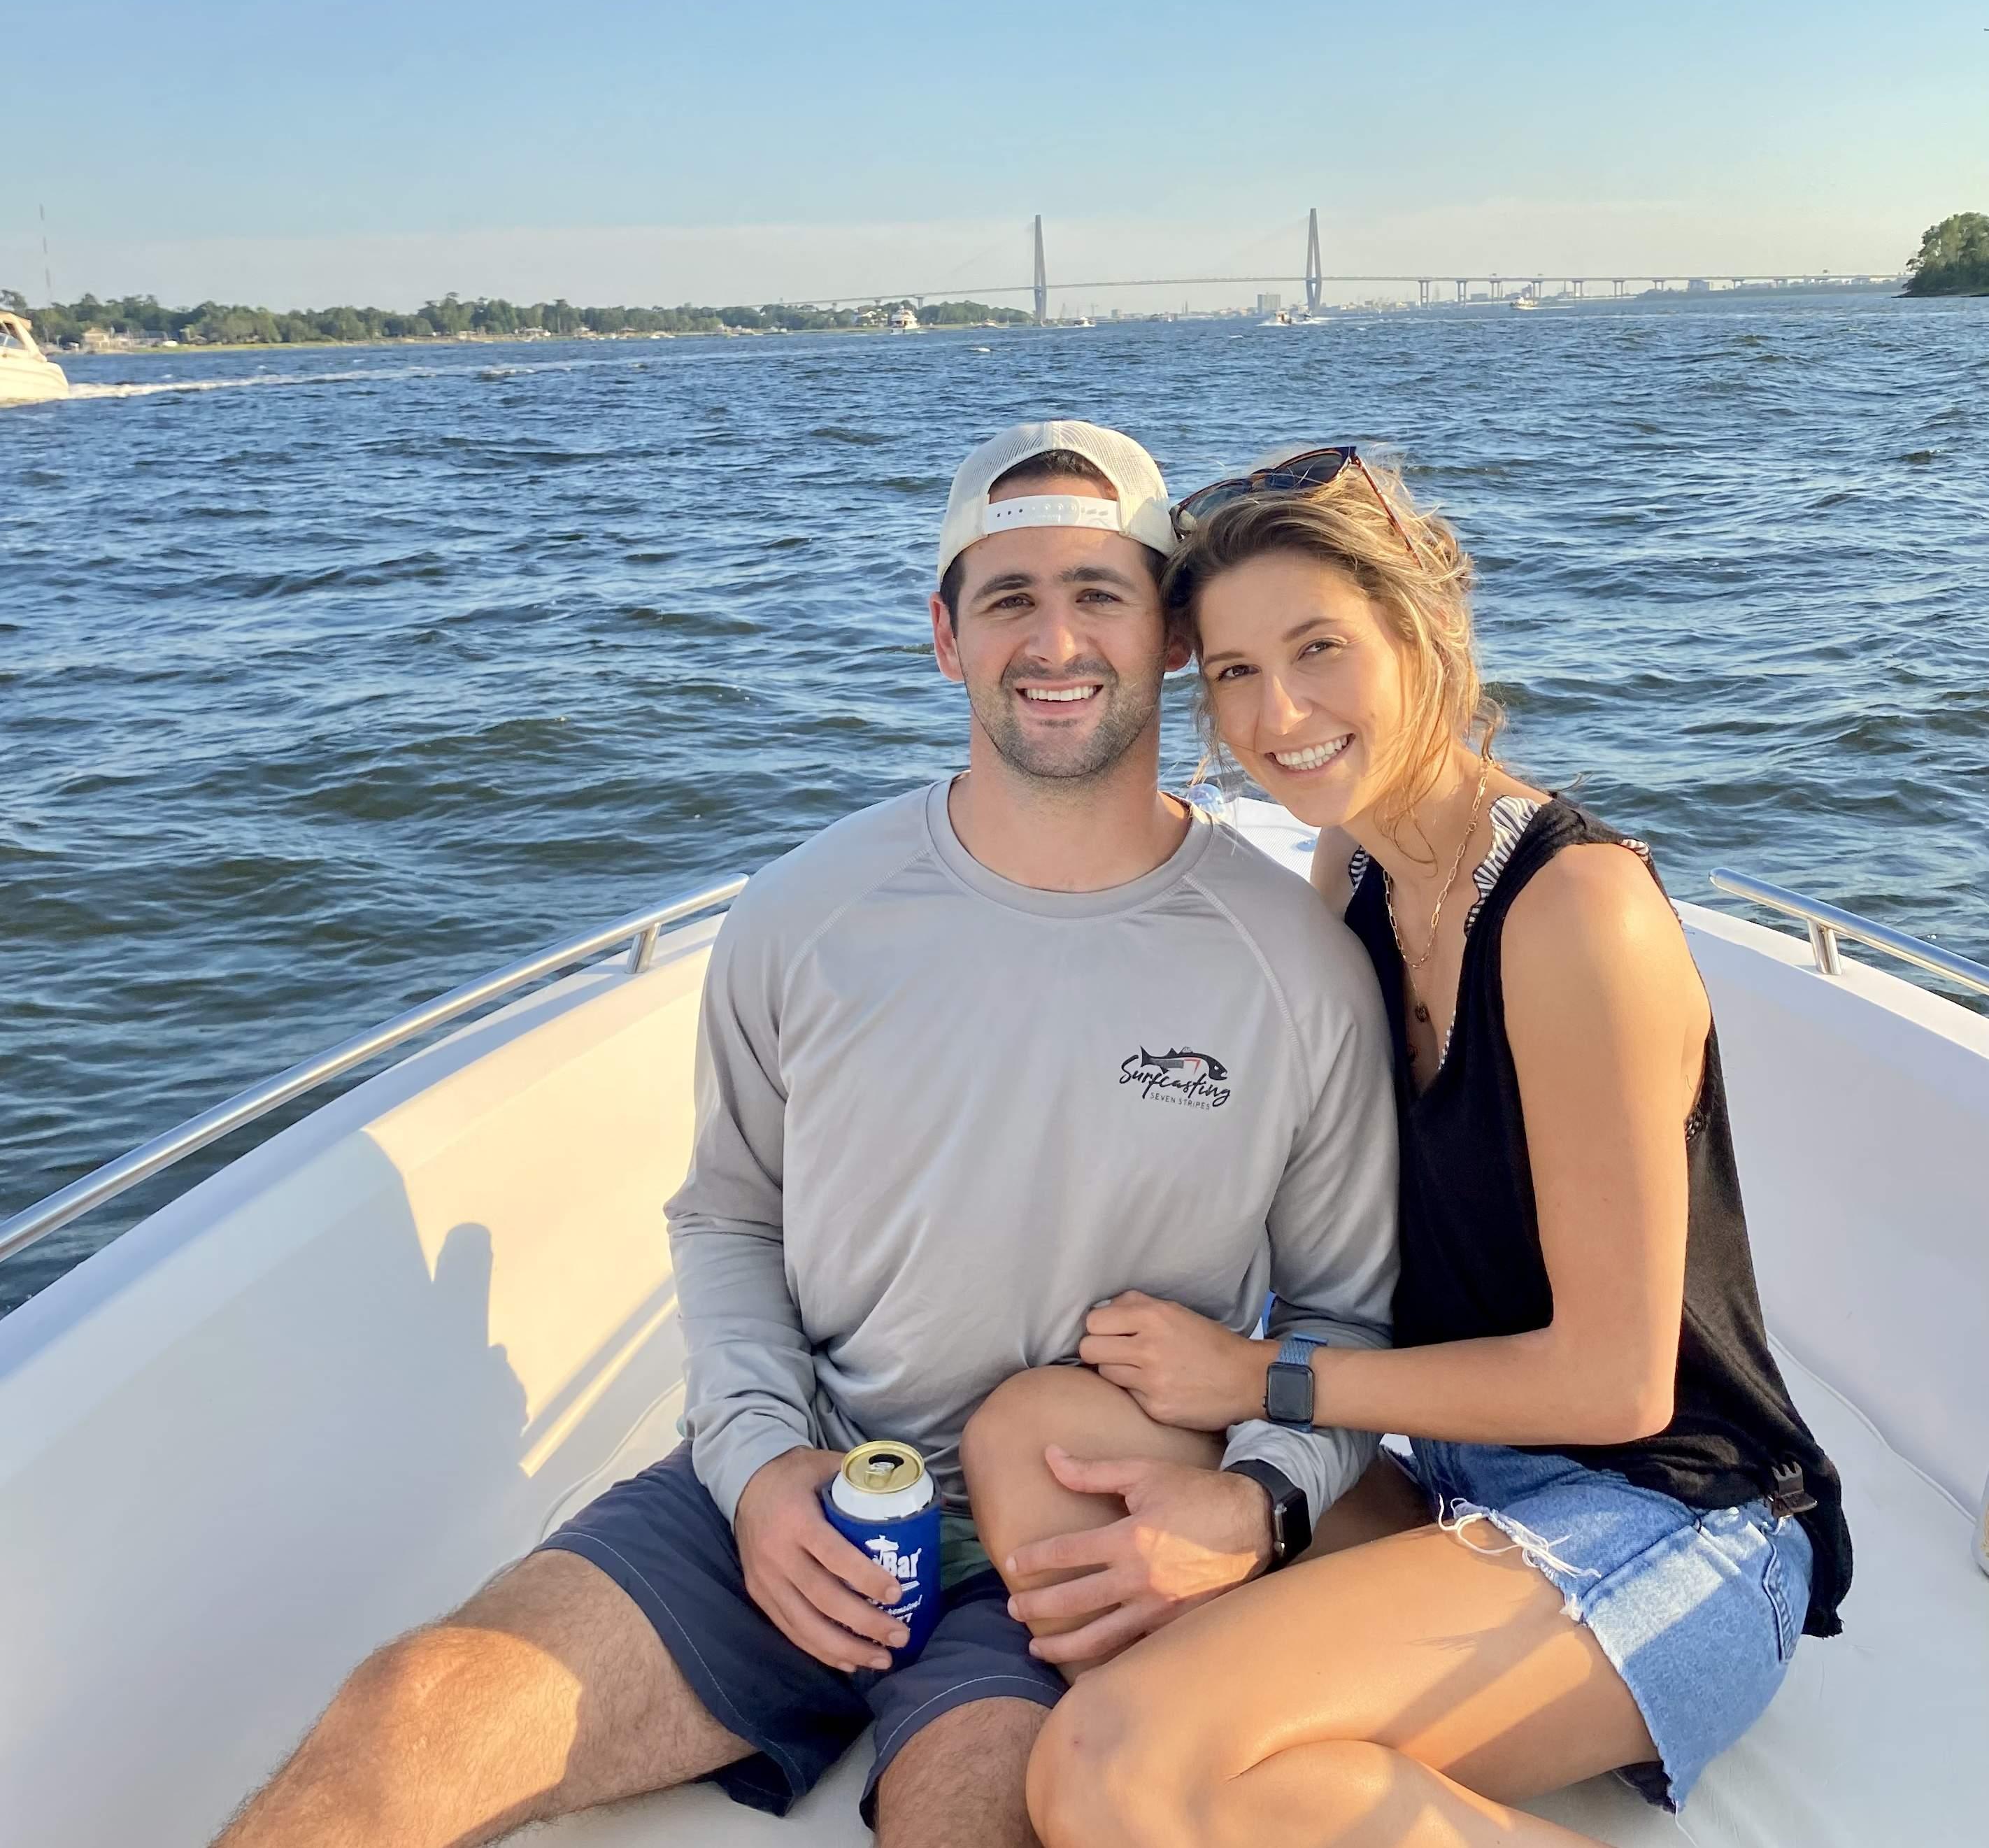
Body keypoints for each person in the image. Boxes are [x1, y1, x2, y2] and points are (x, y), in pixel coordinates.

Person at [209, 421, 1399, 1848]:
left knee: (973, 1821)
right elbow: (727, 1219)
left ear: (1169, 640)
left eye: (1101, 593)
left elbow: (1345, 1320)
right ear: (944, 638)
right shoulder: (804, 914)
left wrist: (1256, 1505)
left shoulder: (1293, 963)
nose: (1057, 639)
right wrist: (761, 1465)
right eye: (1008, 598)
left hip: (1083, 1532)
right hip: (804, 1478)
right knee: (400, 1723)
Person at [994, 446, 1853, 1848]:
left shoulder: (1578, 912)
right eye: (1230, 672)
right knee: (1042, 1433)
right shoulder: (1356, 879)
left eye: (1319, 648)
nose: (1278, 714)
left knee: (1112, 1771)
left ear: (1421, 634)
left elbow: (1617, 1383)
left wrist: (1258, 1380)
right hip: (1448, 1478)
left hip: (1673, 1519)